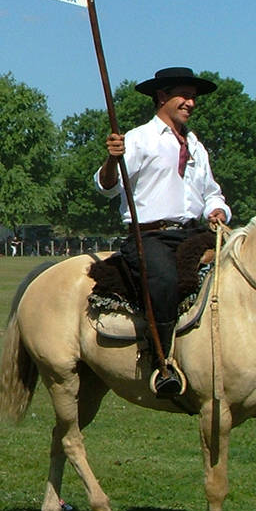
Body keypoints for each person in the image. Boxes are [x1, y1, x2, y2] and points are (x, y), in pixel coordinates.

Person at [94, 67, 231, 397]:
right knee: (165, 280)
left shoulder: (195, 145)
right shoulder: (139, 138)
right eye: (184, 96)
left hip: (193, 233)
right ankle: (162, 362)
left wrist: (217, 210)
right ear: (161, 97)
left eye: (193, 97)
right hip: (150, 236)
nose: (190, 103)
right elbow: (107, 186)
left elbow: (211, 191)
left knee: (245, 262)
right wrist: (112, 159)